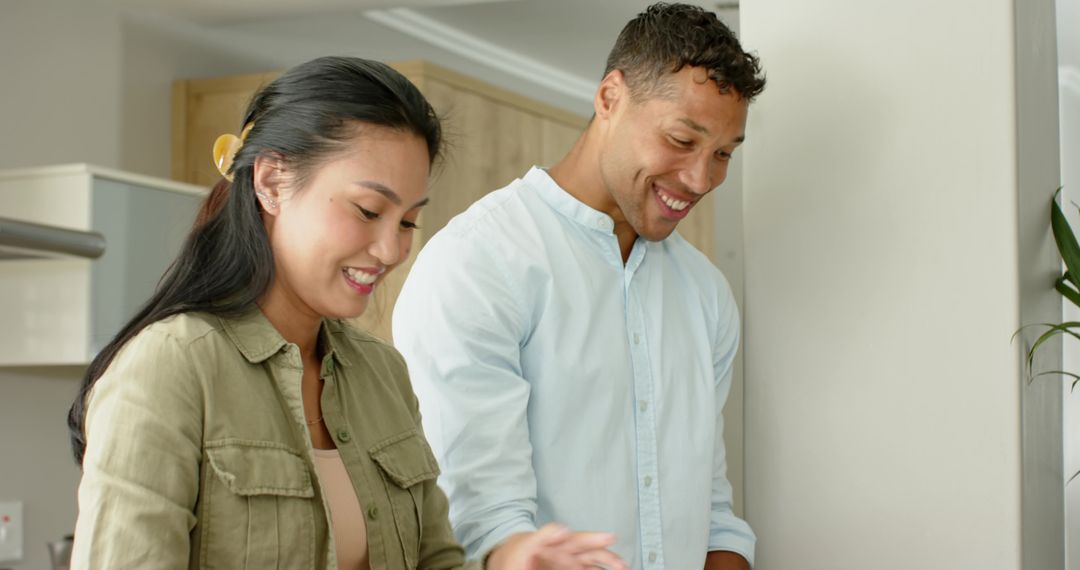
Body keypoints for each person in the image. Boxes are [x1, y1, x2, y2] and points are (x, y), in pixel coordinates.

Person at [67, 56, 626, 570]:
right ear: (271, 181)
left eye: (407, 221)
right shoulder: (170, 367)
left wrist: (506, 563)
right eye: (368, 210)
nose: (391, 249)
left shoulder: (382, 374)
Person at [392, 4, 767, 569]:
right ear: (610, 98)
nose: (700, 179)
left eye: (722, 155)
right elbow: (477, 524)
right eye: (681, 140)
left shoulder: (706, 294)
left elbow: (709, 511)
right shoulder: (478, 262)